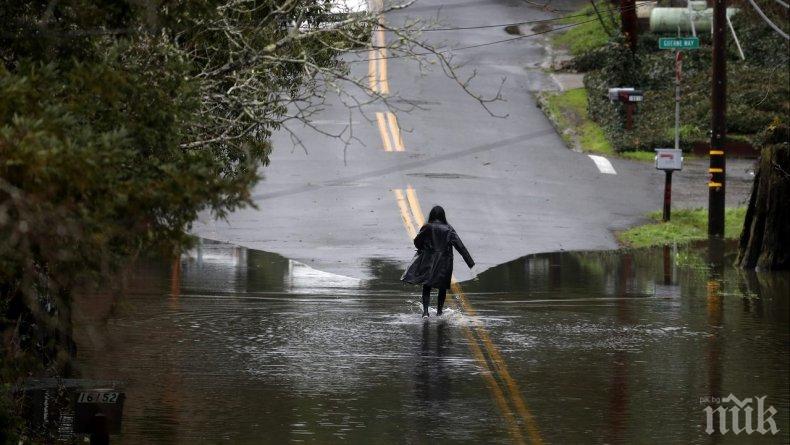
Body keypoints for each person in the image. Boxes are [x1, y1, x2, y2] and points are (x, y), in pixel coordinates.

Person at [401, 206, 475, 318]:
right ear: (443, 216)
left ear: (431, 215)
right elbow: (460, 247)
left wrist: (423, 248)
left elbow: (417, 241)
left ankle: (425, 312)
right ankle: (439, 312)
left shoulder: (427, 227)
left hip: (429, 260)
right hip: (445, 262)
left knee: (427, 285)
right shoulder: (449, 229)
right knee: (442, 287)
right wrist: (470, 263)